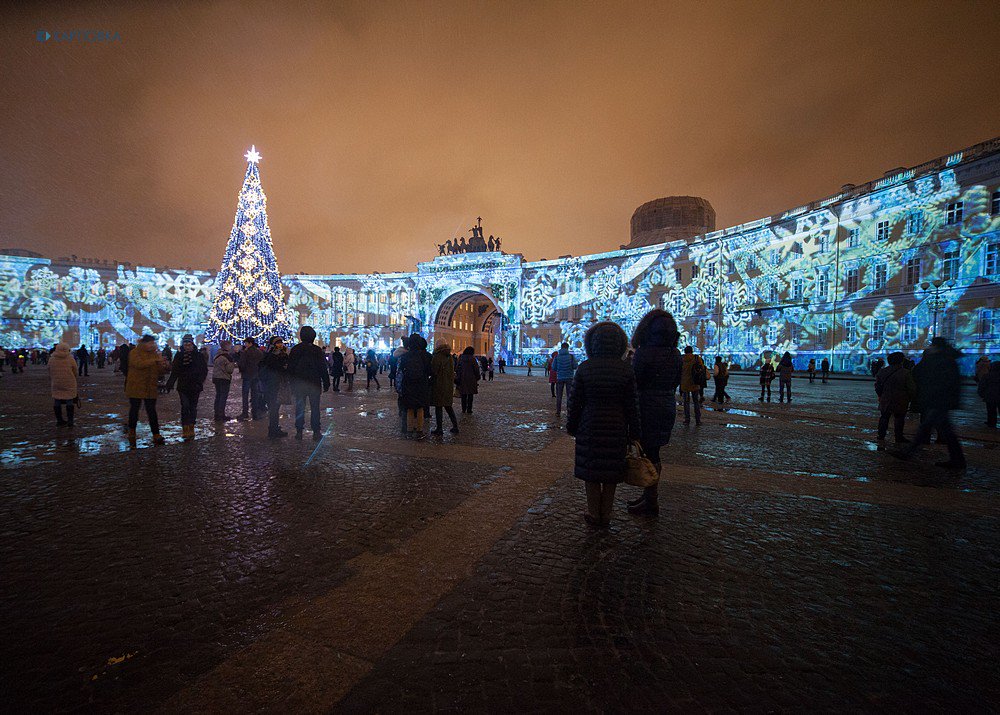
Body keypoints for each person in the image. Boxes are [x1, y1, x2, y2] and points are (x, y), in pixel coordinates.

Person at [566, 322, 641, 528]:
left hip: (589, 425)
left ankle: (593, 513)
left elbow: (575, 402)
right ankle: (606, 514)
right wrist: (635, 432)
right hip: (617, 426)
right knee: (610, 473)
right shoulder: (626, 370)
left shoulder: (585, 368)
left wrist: (572, 426)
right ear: (619, 344)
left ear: (592, 343)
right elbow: (632, 405)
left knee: (591, 472)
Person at [627, 310, 682, 516]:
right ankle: (649, 495)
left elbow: (635, 382)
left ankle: (651, 501)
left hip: (646, 406)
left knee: (648, 453)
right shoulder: (674, 354)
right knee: (654, 452)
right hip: (666, 406)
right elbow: (676, 381)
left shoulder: (643, 353)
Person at [893, 337, 965, 470]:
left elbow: (932, 379)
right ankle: (957, 459)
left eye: (932, 345)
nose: (930, 347)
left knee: (927, 428)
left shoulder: (942, 359)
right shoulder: (944, 358)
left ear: (936, 346)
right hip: (940, 400)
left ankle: (909, 452)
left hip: (939, 400)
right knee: (939, 430)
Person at [125, 335, 169, 448]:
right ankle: (132, 431)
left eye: (153, 343)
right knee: (134, 410)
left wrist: (164, 366)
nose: (152, 345)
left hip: (150, 387)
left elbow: (159, 371)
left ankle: (156, 433)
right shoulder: (135, 352)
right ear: (144, 343)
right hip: (136, 386)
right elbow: (139, 364)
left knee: (152, 411)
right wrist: (155, 360)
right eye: (150, 343)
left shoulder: (155, 353)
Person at [287, 326, 330, 441]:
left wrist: (291, 383)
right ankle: (316, 431)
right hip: (314, 384)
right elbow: (322, 368)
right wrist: (326, 382)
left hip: (299, 384)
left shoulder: (295, 349)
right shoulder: (317, 350)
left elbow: (290, 368)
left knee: (300, 408)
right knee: (315, 408)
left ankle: (299, 431)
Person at [165, 334, 208, 441]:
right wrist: (170, 384)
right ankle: (185, 428)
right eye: (185, 344)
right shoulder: (179, 356)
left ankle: (191, 427)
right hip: (183, 386)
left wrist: (200, 381)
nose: (187, 346)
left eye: (189, 344)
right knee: (185, 406)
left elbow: (204, 370)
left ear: (192, 344)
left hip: (195, 386)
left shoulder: (198, 356)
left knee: (193, 407)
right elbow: (175, 371)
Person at [874, 351, 915, 445]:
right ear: (901, 361)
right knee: (899, 418)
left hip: (885, 398)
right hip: (900, 399)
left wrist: (881, 395)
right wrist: (910, 398)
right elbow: (911, 388)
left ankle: (881, 435)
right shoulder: (905, 373)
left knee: (884, 417)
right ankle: (898, 437)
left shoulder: (882, 371)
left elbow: (877, 386)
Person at [398, 333, 432, 434]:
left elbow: (401, 369)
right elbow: (430, 371)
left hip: (408, 384)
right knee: (420, 408)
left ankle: (409, 429)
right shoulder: (426, 356)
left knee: (410, 408)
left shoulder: (405, 355)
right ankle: (419, 429)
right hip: (422, 384)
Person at [259, 336, 290, 439]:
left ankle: (274, 428)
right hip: (272, 385)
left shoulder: (279, 354)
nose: (280, 344)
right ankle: (272, 430)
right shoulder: (271, 356)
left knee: (275, 408)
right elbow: (276, 367)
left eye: (281, 342)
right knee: (273, 408)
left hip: (278, 384)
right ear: (273, 344)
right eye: (278, 343)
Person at [430, 341, 460, 435]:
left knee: (438, 407)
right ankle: (455, 426)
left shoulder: (437, 357)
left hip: (439, 384)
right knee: (448, 407)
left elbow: (434, 371)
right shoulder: (450, 357)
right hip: (448, 384)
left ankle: (439, 428)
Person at [49, 343, 78, 428]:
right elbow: (75, 370)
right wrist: (73, 377)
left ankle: (59, 420)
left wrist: (53, 377)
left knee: (57, 400)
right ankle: (70, 420)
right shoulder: (70, 359)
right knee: (69, 400)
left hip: (56, 382)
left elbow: (49, 369)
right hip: (69, 382)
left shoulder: (52, 359)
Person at [237, 337, 263, 419]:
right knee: (254, 395)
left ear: (250, 343)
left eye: (246, 343)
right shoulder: (259, 352)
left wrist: (242, 370)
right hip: (256, 375)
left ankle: (245, 413)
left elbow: (241, 363)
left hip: (247, 375)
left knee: (245, 395)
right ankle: (255, 413)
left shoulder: (245, 352)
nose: (245, 344)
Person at [211, 341, 237, 421]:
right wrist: (233, 364)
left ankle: (216, 414)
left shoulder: (217, 355)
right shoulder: (227, 357)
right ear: (227, 347)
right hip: (224, 378)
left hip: (216, 377)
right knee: (223, 397)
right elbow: (230, 370)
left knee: (218, 396)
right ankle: (221, 415)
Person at [679, 346, 704, 426]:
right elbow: (702, 368)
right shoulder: (697, 358)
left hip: (684, 383)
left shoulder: (681, 359)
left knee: (686, 402)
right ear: (692, 351)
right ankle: (698, 420)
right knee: (696, 401)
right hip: (695, 383)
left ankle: (687, 419)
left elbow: (678, 370)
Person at [553, 342, 578, 418]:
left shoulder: (557, 357)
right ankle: (569, 411)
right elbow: (575, 366)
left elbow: (554, 367)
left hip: (560, 377)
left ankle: (558, 412)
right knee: (569, 396)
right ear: (567, 348)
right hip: (569, 378)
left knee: (559, 396)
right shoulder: (571, 357)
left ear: (561, 347)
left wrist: (560, 369)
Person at [456, 346, 481, 414]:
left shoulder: (461, 358)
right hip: (471, 379)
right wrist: (478, 377)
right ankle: (469, 409)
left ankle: (463, 409)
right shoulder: (473, 359)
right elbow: (476, 369)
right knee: (470, 395)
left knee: (463, 395)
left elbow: (457, 368)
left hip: (462, 379)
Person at [977, 359, 1000, 429]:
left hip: (990, 397)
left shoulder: (987, 376)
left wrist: (982, 394)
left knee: (991, 411)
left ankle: (991, 423)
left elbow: (982, 386)